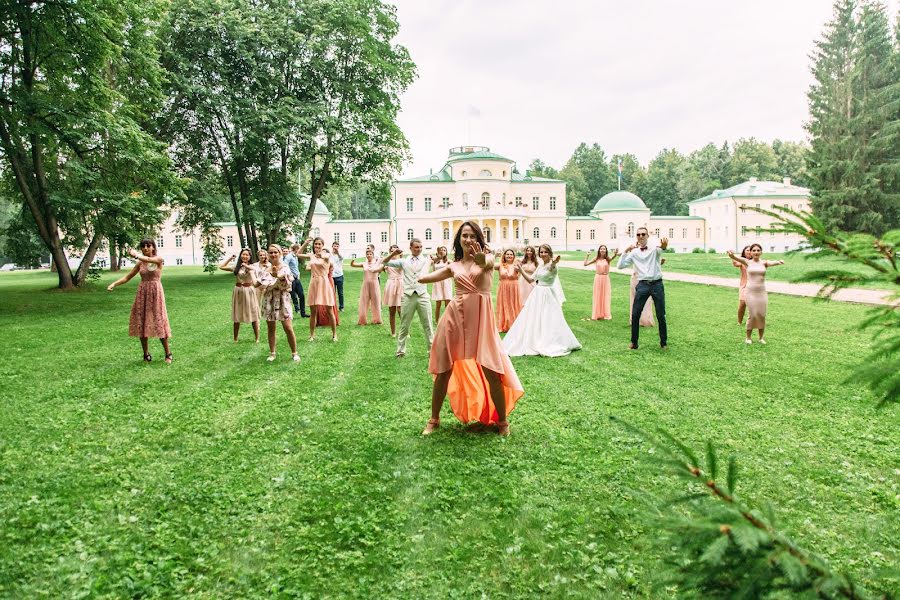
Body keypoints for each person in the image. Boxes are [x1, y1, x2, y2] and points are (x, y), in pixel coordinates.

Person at [417, 221, 523, 437]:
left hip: (481, 322)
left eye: (472, 236)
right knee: (443, 370)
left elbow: (486, 262)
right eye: (464, 236)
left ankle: (503, 422)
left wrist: (481, 258)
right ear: (459, 240)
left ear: (479, 239)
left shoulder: (488, 259)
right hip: (454, 318)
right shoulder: (453, 266)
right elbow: (423, 278)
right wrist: (426, 264)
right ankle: (434, 419)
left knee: (492, 370)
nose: (468, 240)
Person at [503, 244, 582, 357]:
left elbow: (552, 268)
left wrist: (554, 262)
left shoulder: (552, 266)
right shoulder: (540, 266)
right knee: (534, 317)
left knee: (548, 318)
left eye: (545, 252)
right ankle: (535, 337)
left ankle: (548, 341)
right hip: (537, 294)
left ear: (550, 253)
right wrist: (520, 270)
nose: (543, 254)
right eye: (541, 252)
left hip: (548, 294)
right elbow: (531, 279)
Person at [107, 238, 173, 363]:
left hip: (156, 293)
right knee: (142, 322)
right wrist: (114, 284)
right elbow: (127, 277)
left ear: (153, 247)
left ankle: (168, 353)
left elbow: (149, 260)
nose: (146, 248)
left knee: (159, 321)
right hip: (143, 293)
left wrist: (136, 255)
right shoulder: (140, 263)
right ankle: (146, 354)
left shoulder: (158, 259)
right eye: (143, 246)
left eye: (148, 246)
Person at [383, 238, 434, 358]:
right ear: (410, 248)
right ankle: (400, 351)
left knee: (428, 325)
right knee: (404, 325)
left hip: (422, 295)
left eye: (420, 247)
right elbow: (384, 262)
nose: (419, 249)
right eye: (416, 247)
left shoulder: (426, 260)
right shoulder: (403, 261)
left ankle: (432, 351)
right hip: (408, 296)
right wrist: (393, 254)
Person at [618, 228, 668, 350]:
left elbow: (662, 248)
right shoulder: (634, 253)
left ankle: (663, 343)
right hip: (642, 285)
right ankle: (634, 343)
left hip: (657, 284)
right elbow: (620, 266)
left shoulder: (654, 249)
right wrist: (625, 251)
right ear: (637, 237)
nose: (641, 236)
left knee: (661, 314)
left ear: (647, 236)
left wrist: (664, 246)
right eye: (638, 234)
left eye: (643, 234)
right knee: (635, 314)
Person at [727, 244, 784, 344]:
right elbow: (735, 258)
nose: (756, 252)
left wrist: (779, 262)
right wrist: (731, 254)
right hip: (750, 292)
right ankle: (748, 338)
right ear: (751, 252)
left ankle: (761, 338)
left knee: (761, 314)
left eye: (758, 250)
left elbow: (772, 262)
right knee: (752, 314)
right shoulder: (747, 262)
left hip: (762, 292)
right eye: (754, 250)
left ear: (761, 252)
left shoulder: (764, 263)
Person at [257, 244, 300, 362]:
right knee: (271, 327)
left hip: (282, 299)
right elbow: (260, 284)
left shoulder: (285, 267)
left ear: (280, 253)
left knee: (288, 327)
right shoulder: (266, 269)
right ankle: (272, 353)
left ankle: (294, 353)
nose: (273, 254)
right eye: (271, 252)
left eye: (275, 252)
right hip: (269, 300)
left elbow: (287, 282)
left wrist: (277, 276)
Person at [298, 237, 337, 342]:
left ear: (322, 245)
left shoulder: (327, 255)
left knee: (329, 310)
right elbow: (298, 254)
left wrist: (321, 255)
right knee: (313, 311)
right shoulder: (311, 256)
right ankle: (311, 335)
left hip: (324, 283)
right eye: (316, 244)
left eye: (319, 244)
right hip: (314, 283)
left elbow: (326, 256)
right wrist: (305, 243)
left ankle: (334, 335)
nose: (317, 246)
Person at [219, 249, 260, 343]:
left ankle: (257, 337)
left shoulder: (252, 266)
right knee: (237, 313)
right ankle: (235, 338)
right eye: (243, 254)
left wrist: (246, 265)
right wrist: (230, 258)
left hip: (249, 291)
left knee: (252, 312)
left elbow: (256, 270)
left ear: (250, 257)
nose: (245, 256)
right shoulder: (237, 267)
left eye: (247, 255)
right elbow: (221, 267)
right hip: (238, 291)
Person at [584, 245, 618, 320]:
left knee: (605, 295)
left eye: (604, 249)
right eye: (601, 249)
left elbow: (613, 257)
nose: (602, 250)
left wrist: (615, 254)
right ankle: (597, 314)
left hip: (605, 278)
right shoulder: (596, 259)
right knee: (597, 295)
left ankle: (605, 314)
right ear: (599, 250)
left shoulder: (607, 259)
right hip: (598, 278)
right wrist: (587, 255)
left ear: (606, 251)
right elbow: (585, 264)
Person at [350, 249, 383, 325]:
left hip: (374, 284)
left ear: (373, 255)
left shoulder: (377, 262)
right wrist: (352, 260)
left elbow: (384, 262)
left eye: (370, 254)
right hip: (365, 284)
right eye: (367, 254)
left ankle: (377, 319)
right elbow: (353, 265)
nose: (369, 255)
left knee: (376, 301)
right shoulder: (364, 263)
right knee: (364, 301)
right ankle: (362, 320)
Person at [494, 249, 522, 333]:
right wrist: (495, 256)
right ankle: (504, 324)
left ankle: (514, 324)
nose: (509, 256)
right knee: (504, 304)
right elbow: (487, 264)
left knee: (513, 305)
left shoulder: (517, 265)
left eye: (511, 254)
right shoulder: (500, 265)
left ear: (513, 256)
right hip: (503, 287)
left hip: (514, 287)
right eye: (507, 254)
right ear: (504, 256)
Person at [382, 244, 403, 336]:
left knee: (400, 309)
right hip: (391, 284)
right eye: (392, 251)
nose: (394, 253)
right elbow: (380, 266)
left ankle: (405, 332)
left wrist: (401, 255)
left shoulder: (401, 261)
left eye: (396, 251)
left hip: (400, 284)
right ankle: (393, 332)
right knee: (392, 310)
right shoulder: (387, 262)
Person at [285, 242, 310, 318]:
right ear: (295, 249)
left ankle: (303, 313)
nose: (300, 250)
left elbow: (295, 267)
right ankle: (295, 310)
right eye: (299, 249)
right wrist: (290, 275)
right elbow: (285, 265)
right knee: (293, 296)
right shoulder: (289, 256)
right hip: (291, 279)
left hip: (297, 279)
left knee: (301, 295)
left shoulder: (295, 256)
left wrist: (298, 274)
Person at [430, 246, 452, 322]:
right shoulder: (435, 262)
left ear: (446, 252)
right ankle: (437, 321)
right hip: (438, 283)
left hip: (446, 282)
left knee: (447, 303)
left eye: (444, 250)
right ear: (439, 252)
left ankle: (447, 320)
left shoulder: (449, 261)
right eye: (441, 250)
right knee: (438, 304)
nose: (443, 251)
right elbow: (433, 272)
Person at [733, 245, 751, 325]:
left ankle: (750, 321)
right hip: (744, 286)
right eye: (747, 250)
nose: (749, 251)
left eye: (751, 250)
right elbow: (736, 263)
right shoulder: (742, 261)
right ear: (744, 252)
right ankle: (739, 321)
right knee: (743, 303)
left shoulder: (756, 261)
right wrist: (733, 257)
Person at [330, 241, 345, 311]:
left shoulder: (340, 255)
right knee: (332, 292)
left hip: (339, 276)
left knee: (340, 293)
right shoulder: (329, 255)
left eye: (337, 246)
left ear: (338, 247)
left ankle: (341, 307)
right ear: (332, 246)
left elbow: (341, 258)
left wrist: (337, 252)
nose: (335, 247)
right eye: (334, 246)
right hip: (331, 276)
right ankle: (333, 306)